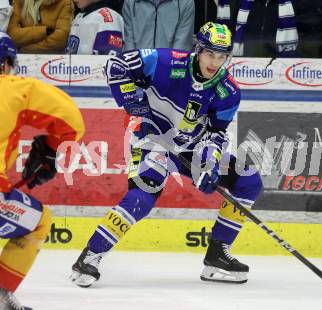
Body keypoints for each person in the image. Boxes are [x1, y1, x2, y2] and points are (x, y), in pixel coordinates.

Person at [70, 22, 262, 287]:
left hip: (190, 147)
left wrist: (210, 164)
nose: (215, 62)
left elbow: (216, 134)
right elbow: (116, 66)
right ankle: (90, 256)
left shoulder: (227, 91)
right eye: (210, 54)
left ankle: (217, 256)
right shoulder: (164, 61)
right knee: (143, 195)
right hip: (150, 141)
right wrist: (132, 102)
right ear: (198, 49)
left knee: (248, 180)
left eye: (221, 56)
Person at [0, 32, 85, 309]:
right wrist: (50, 149)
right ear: (7, 64)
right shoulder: (13, 87)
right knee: (39, 221)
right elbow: (71, 121)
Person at [122, 0, 195, 51]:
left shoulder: (186, 3)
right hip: (137, 68)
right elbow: (129, 45)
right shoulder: (130, 2)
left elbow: (181, 48)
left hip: (169, 68)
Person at [7, 0, 73, 54]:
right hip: (25, 62)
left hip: (54, 62)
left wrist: (27, 49)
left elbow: (60, 40)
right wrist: (43, 31)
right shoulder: (20, 2)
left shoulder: (64, 2)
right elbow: (11, 35)